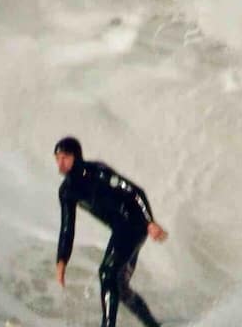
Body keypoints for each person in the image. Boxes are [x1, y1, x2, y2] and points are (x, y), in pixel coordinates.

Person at [52, 136, 166, 327]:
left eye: (65, 158)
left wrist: (149, 222)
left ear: (76, 156)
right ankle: (154, 325)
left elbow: (135, 192)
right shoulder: (67, 191)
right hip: (121, 229)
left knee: (107, 273)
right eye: (57, 159)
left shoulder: (98, 172)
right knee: (119, 285)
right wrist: (62, 260)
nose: (60, 163)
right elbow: (67, 228)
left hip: (135, 223)